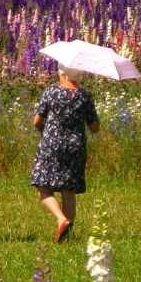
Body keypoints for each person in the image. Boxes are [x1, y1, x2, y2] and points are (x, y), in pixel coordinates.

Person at [30, 66, 100, 242]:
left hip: (51, 144)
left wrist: (44, 130)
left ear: (62, 74)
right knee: (69, 190)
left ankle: (61, 219)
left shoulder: (51, 92)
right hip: (75, 146)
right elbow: (94, 127)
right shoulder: (85, 96)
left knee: (42, 186)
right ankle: (67, 237)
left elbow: (37, 120)